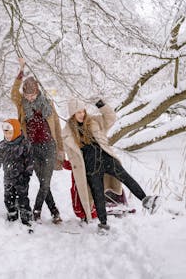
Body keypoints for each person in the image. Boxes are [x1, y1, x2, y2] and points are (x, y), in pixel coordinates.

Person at [62, 97, 159, 233]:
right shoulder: (67, 133)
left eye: (83, 111)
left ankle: (146, 200)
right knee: (98, 195)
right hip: (90, 167)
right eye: (78, 112)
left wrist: (100, 104)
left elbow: (111, 117)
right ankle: (103, 225)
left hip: (106, 158)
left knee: (125, 176)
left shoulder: (94, 121)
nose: (82, 115)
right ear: (72, 114)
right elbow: (71, 156)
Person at [11, 57, 64, 224]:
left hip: (49, 146)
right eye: (27, 95)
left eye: (33, 95)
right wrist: (21, 70)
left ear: (37, 91)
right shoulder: (21, 104)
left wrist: (60, 148)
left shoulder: (47, 103)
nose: (31, 98)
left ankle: (37, 211)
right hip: (32, 147)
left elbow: (56, 126)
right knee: (43, 183)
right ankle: (55, 212)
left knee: (45, 182)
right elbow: (13, 92)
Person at [0, 119, 34, 228]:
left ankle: (26, 216)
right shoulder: (3, 145)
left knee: (23, 198)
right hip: (8, 177)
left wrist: (27, 175)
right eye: (5, 133)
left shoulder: (24, 144)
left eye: (10, 133)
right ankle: (12, 214)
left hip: (21, 177)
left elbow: (30, 161)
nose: (8, 136)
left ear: (17, 131)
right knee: (8, 198)